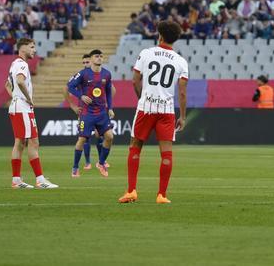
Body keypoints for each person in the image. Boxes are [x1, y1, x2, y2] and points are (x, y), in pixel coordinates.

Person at [119, 20, 189, 204]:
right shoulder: (181, 61)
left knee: (135, 147)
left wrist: (142, 98)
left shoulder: (146, 53)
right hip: (167, 111)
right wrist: (182, 116)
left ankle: (131, 191)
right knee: (166, 153)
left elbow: (135, 80)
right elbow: (182, 92)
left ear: (159, 35)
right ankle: (162, 195)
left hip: (146, 108)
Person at [6, 39, 58, 189]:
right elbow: (20, 81)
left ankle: (16, 180)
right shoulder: (22, 64)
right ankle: (40, 180)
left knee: (20, 143)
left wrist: (15, 96)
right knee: (34, 142)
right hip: (22, 107)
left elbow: (7, 84)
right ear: (22, 49)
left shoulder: (14, 64)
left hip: (16, 105)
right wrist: (28, 99)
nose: (34, 50)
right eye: (32, 47)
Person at [67, 48, 115, 178]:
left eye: (101, 56)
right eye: (96, 56)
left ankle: (100, 163)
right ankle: (75, 167)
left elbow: (109, 92)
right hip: (87, 113)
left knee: (109, 137)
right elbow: (70, 86)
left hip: (101, 112)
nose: (99, 58)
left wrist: (110, 108)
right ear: (92, 59)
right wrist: (81, 96)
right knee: (82, 139)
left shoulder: (107, 74)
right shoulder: (83, 74)